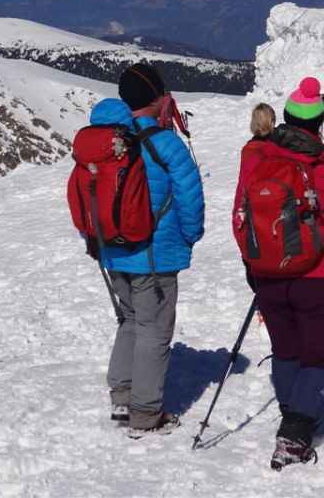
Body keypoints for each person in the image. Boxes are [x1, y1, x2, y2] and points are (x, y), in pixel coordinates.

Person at [244, 77, 324, 470]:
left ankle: (291, 411)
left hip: (268, 272)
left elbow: (241, 218)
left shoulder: (259, 160)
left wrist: (255, 262)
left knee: (286, 351)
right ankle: (294, 433)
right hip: (321, 272)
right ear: (318, 124)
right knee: (317, 357)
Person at [93, 64, 205, 438]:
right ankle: (145, 414)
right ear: (159, 99)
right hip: (155, 256)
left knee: (129, 320)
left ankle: (122, 396)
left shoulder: (109, 142)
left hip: (113, 251)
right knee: (154, 331)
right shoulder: (165, 142)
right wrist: (188, 238)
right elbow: (191, 199)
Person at [233, 103, 277, 232]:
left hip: (255, 210)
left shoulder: (248, 151)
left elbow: (243, 184)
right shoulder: (279, 149)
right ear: (272, 121)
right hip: (278, 207)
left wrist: (238, 212)